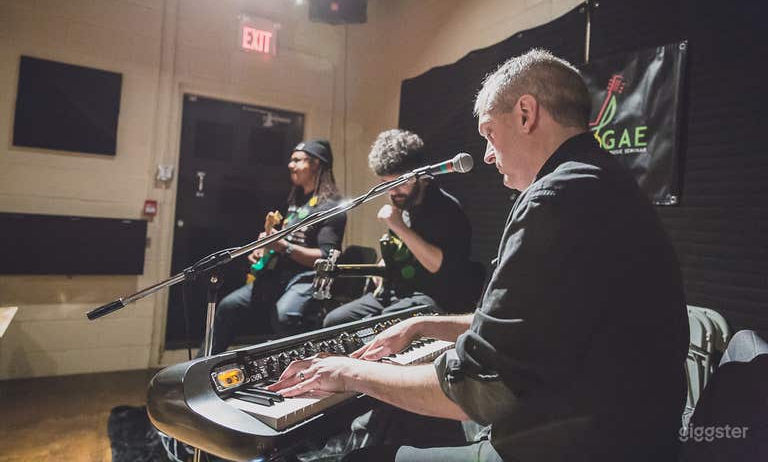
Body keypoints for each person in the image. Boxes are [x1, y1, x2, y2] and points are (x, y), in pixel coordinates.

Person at [268, 49, 689, 461]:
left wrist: (347, 373)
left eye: (489, 133)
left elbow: (479, 387)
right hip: (616, 431)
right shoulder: (602, 181)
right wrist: (422, 324)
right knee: (399, 419)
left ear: (526, 114)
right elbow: (536, 319)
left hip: (577, 444)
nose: (487, 155)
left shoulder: (556, 195)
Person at [322, 129, 474, 328]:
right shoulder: (403, 206)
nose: (393, 191)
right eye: (386, 183)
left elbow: (436, 264)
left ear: (422, 177)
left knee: (378, 327)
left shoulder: (447, 210)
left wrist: (398, 225)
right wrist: (383, 264)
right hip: (394, 293)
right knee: (334, 321)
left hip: (432, 298)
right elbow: (398, 248)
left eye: (400, 182)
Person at [207, 139, 346, 354]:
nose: (291, 165)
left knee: (284, 315)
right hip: (277, 275)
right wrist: (264, 249)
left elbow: (327, 257)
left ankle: (302, 367)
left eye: (298, 160)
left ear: (317, 164)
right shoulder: (296, 201)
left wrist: (283, 247)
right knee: (229, 305)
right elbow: (280, 240)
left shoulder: (331, 207)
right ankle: (203, 367)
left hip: (306, 279)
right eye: (291, 160)